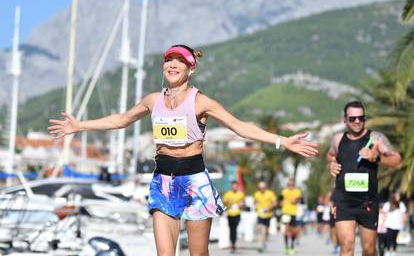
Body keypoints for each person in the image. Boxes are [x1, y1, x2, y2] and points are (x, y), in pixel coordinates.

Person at [48, 44, 318, 256]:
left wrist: (283, 141)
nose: (172, 65)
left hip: (195, 182)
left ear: (191, 69)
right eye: (168, 60)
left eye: (180, 61)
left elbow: (240, 127)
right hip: (163, 180)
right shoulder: (153, 100)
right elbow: (121, 120)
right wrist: (79, 125)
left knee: (199, 253)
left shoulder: (201, 102)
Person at [327, 100, 402, 256]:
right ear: (345, 120)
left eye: (361, 118)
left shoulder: (375, 138)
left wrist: (377, 158)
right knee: (346, 247)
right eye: (352, 118)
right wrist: (331, 164)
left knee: (369, 250)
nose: (357, 121)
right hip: (343, 201)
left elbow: (398, 161)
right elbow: (330, 155)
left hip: (367, 201)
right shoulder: (338, 139)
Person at [253, 181, 277, 253]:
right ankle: (260, 245)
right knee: (260, 229)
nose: (262, 189)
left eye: (263, 187)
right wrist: (255, 205)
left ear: (265, 187)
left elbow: (275, 203)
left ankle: (264, 242)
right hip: (260, 214)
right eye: (260, 188)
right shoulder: (256, 194)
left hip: (268, 215)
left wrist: (269, 208)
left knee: (266, 231)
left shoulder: (270, 193)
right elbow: (254, 202)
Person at [281, 178, 302, 255]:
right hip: (285, 213)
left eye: (292, 185)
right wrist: (281, 203)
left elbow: (296, 200)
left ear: (294, 185)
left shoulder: (297, 192)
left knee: (294, 231)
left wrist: (294, 200)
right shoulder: (284, 191)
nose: (290, 186)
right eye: (289, 185)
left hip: (293, 213)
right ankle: (286, 247)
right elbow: (281, 200)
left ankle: (292, 246)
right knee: (286, 230)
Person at [223, 180, 245, 253]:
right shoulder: (227, 194)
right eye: (233, 186)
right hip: (230, 214)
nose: (234, 187)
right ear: (231, 186)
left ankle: (233, 244)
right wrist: (227, 202)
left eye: (236, 186)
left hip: (237, 214)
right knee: (231, 229)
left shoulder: (241, 194)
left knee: (234, 229)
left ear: (237, 186)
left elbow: (243, 204)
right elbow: (224, 203)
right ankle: (232, 244)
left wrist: (241, 205)